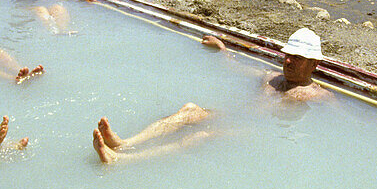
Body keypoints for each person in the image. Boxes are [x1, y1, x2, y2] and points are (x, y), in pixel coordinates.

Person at [202, 26, 330, 102]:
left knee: (202, 135)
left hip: (257, 131)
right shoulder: (271, 77)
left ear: (314, 64)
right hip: (239, 119)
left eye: (297, 57)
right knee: (191, 109)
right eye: (288, 55)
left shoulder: (319, 95)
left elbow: (341, 122)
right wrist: (221, 48)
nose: (288, 61)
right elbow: (234, 67)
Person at [91, 103, 212, 164]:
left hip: (227, 131)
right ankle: (125, 143)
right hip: (221, 116)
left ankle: (121, 158)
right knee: (191, 109)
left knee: (200, 136)